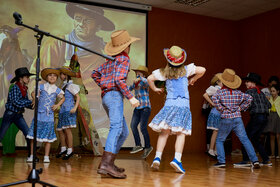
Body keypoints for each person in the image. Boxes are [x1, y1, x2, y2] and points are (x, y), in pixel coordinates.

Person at [29, 3, 116, 155]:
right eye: (78, 18)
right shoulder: (56, 45)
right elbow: (36, 76)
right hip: (57, 106)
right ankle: (62, 149)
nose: (81, 24)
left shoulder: (104, 54)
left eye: (88, 20)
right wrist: (35, 94)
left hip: (96, 115)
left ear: (98, 26)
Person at [148, 46, 206, 174]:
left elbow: (150, 79)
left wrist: (155, 89)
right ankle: (177, 159)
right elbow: (202, 70)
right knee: (181, 133)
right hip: (183, 106)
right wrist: (193, 79)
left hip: (169, 105)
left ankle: (157, 157)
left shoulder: (164, 72)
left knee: (164, 132)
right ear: (182, 60)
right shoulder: (186, 70)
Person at [92, 30, 140, 179]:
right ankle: (105, 164)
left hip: (107, 97)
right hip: (114, 96)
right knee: (116, 128)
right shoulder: (124, 59)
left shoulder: (109, 61)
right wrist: (131, 97)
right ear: (126, 47)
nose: (130, 48)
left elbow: (94, 74)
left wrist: (105, 85)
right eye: (129, 45)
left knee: (124, 132)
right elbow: (119, 80)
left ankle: (109, 163)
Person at [212, 69, 260, 168]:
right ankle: (255, 160)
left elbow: (213, 99)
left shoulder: (220, 93)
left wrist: (221, 108)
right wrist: (241, 108)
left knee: (220, 140)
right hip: (238, 118)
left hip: (226, 118)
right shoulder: (238, 93)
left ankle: (221, 162)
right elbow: (250, 98)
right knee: (245, 139)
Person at [27, 68, 65, 163]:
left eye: (54, 75)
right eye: (50, 75)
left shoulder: (57, 89)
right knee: (33, 136)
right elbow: (33, 93)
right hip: (39, 114)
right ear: (47, 77)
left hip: (49, 116)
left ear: (56, 78)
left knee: (48, 138)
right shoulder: (41, 86)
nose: (52, 77)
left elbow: (63, 98)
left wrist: (57, 105)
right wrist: (34, 98)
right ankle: (32, 155)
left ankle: (46, 156)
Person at [234, 73, 272, 167]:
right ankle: (266, 159)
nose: (245, 83)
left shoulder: (249, 92)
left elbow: (247, 105)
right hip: (265, 118)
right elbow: (269, 105)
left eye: (247, 81)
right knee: (255, 139)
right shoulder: (262, 93)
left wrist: (239, 108)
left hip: (256, 117)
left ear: (253, 83)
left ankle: (246, 160)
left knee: (244, 137)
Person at [0, 67, 35, 157]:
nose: (28, 79)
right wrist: (31, 101)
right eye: (27, 77)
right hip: (10, 114)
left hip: (18, 115)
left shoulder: (24, 88)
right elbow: (16, 102)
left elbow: (25, 103)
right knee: (1, 134)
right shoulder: (15, 87)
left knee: (27, 134)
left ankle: (31, 155)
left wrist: (34, 104)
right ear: (21, 78)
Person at [129, 65, 153, 159]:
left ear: (143, 74)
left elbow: (147, 82)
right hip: (138, 108)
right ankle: (138, 145)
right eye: (136, 73)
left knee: (143, 127)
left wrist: (140, 78)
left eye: (139, 72)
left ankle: (148, 146)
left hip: (145, 107)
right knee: (133, 125)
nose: (137, 74)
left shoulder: (145, 82)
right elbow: (128, 89)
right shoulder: (135, 84)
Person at [56, 66, 80, 160]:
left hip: (69, 109)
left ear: (66, 75)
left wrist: (75, 107)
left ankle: (70, 150)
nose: (61, 76)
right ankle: (63, 148)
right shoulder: (64, 85)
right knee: (60, 130)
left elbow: (77, 97)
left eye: (63, 74)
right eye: (61, 74)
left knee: (67, 130)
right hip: (63, 109)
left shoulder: (70, 85)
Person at [203, 73, 223, 158]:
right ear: (218, 82)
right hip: (216, 112)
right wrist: (212, 103)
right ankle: (211, 149)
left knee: (218, 131)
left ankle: (215, 150)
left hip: (220, 112)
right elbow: (205, 95)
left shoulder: (222, 90)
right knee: (216, 131)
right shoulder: (215, 88)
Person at [263, 84, 280, 159]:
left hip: (278, 116)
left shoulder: (279, 98)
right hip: (270, 116)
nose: (272, 93)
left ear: (278, 91)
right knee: (271, 136)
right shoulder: (269, 99)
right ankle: (272, 154)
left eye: (274, 91)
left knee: (278, 136)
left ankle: (279, 154)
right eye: (271, 91)